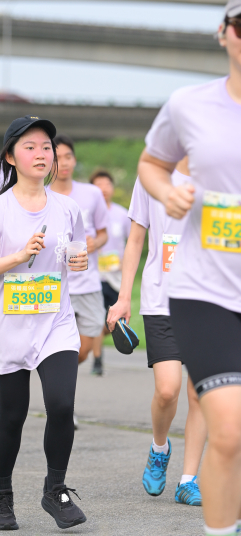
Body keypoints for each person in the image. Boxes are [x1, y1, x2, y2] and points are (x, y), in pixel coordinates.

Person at [136, 2, 241, 536]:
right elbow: (152, 164)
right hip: (206, 292)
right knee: (227, 428)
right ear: (224, 33)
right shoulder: (189, 105)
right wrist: (166, 193)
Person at [0, 115, 89, 530]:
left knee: (62, 405)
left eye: (46, 147)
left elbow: (75, 252)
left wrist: (79, 261)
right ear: (11, 157)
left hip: (55, 323)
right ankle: (2, 495)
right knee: (13, 415)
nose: (41, 154)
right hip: (8, 325)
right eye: (30, 147)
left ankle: (56, 489)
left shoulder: (68, 208)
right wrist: (17, 256)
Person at [107, 158, 207, 507]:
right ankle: (159, 448)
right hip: (161, 299)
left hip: (208, 301)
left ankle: (188, 480)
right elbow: (135, 240)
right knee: (167, 390)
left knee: (199, 394)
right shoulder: (152, 175)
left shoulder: (223, 172)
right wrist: (123, 297)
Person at [50, 135, 109, 428]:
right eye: (57, 157)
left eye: (68, 157)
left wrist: (95, 243)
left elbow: (103, 232)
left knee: (82, 349)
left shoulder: (91, 194)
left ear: (74, 160)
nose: (63, 163)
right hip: (55, 285)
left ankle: (54, 383)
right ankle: (63, 405)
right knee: (61, 349)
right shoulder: (42, 195)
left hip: (87, 284)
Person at [90, 170, 131, 376]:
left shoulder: (122, 214)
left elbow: (134, 242)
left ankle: (96, 336)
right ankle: (97, 361)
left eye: (107, 184)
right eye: (98, 185)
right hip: (94, 275)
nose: (103, 189)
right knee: (98, 319)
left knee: (114, 319)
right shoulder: (87, 213)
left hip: (116, 276)